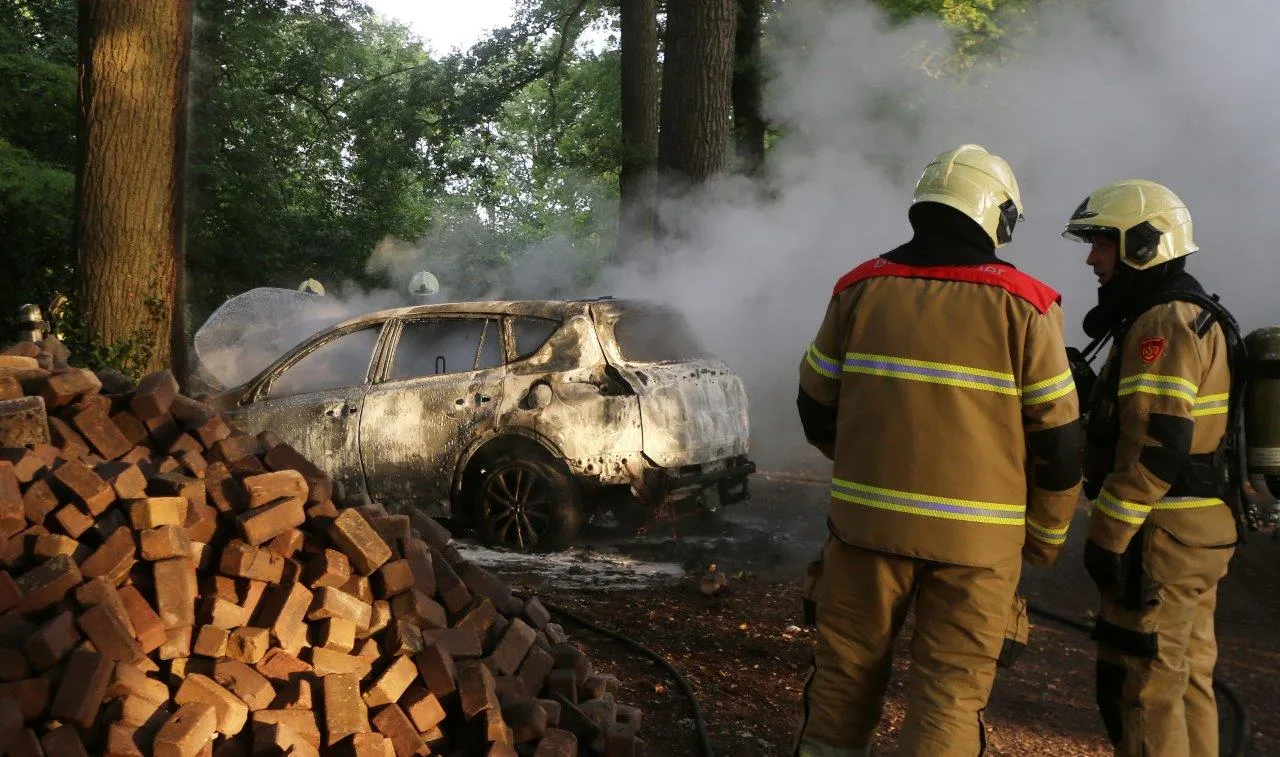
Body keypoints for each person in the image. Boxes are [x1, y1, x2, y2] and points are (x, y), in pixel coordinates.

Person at [793, 144, 1083, 757]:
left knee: (843, 686)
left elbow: (815, 404)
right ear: (997, 217)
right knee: (948, 700)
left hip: (863, 531)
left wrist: (862, 468)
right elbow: (1058, 443)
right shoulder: (1028, 306)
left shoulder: (859, 288)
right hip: (980, 547)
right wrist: (1046, 536)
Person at [1063, 179, 1239, 757]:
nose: (1092, 258)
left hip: (1160, 532)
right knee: (1187, 680)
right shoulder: (1193, 312)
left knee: (1142, 688)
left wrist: (1108, 536)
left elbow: (1156, 445)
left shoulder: (1162, 322)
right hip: (1200, 530)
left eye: (1102, 243)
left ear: (1144, 244)